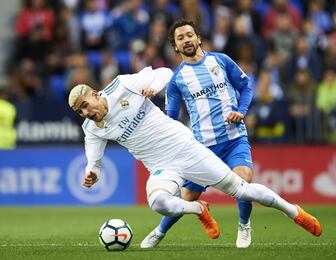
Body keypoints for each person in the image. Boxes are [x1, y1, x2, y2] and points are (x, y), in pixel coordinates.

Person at [68, 66, 322, 249]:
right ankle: (198, 208)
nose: (86, 112)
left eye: (85, 104)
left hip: (186, 149)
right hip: (160, 167)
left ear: (95, 93)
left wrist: (153, 87)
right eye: (80, 111)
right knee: (158, 203)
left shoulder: (122, 85)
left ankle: (294, 212)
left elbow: (165, 72)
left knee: (241, 190)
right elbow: (95, 161)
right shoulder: (91, 129)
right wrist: (93, 173)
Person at [142, 19, 255, 249]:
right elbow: (171, 119)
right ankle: (159, 231)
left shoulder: (221, 60)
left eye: (189, 35)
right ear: (175, 46)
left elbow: (246, 87)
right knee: (186, 199)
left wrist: (240, 111)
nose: (186, 40)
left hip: (234, 138)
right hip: (202, 148)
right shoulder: (176, 81)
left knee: (243, 180)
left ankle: (244, 226)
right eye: (180, 38)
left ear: (198, 37)